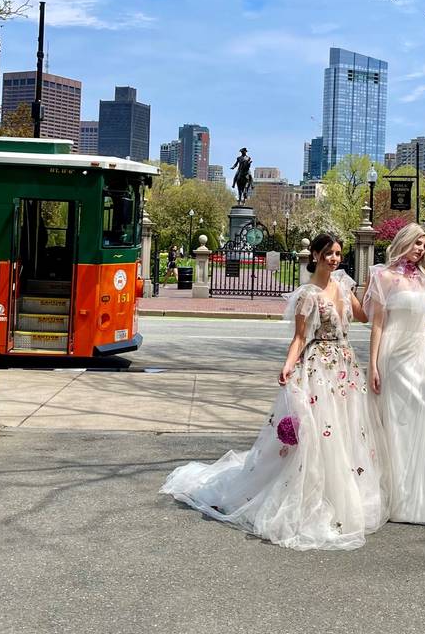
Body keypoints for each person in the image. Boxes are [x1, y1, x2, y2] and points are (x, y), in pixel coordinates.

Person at [161, 233, 391, 551]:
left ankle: (342, 493)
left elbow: (364, 316)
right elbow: (299, 338)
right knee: (318, 433)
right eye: (328, 254)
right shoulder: (308, 295)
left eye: (338, 254)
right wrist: (287, 366)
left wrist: (375, 284)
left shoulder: (344, 286)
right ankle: (313, 494)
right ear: (314, 256)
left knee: (345, 430)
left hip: (345, 367)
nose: (334, 259)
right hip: (319, 366)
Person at [364, 224, 425, 524]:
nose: (420, 249)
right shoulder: (383, 277)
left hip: (419, 354)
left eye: (424, 245)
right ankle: (397, 496)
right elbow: (378, 324)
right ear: (404, 242)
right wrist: (372, 364)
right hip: (393, 355)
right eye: (416, 243)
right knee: (397, 421)